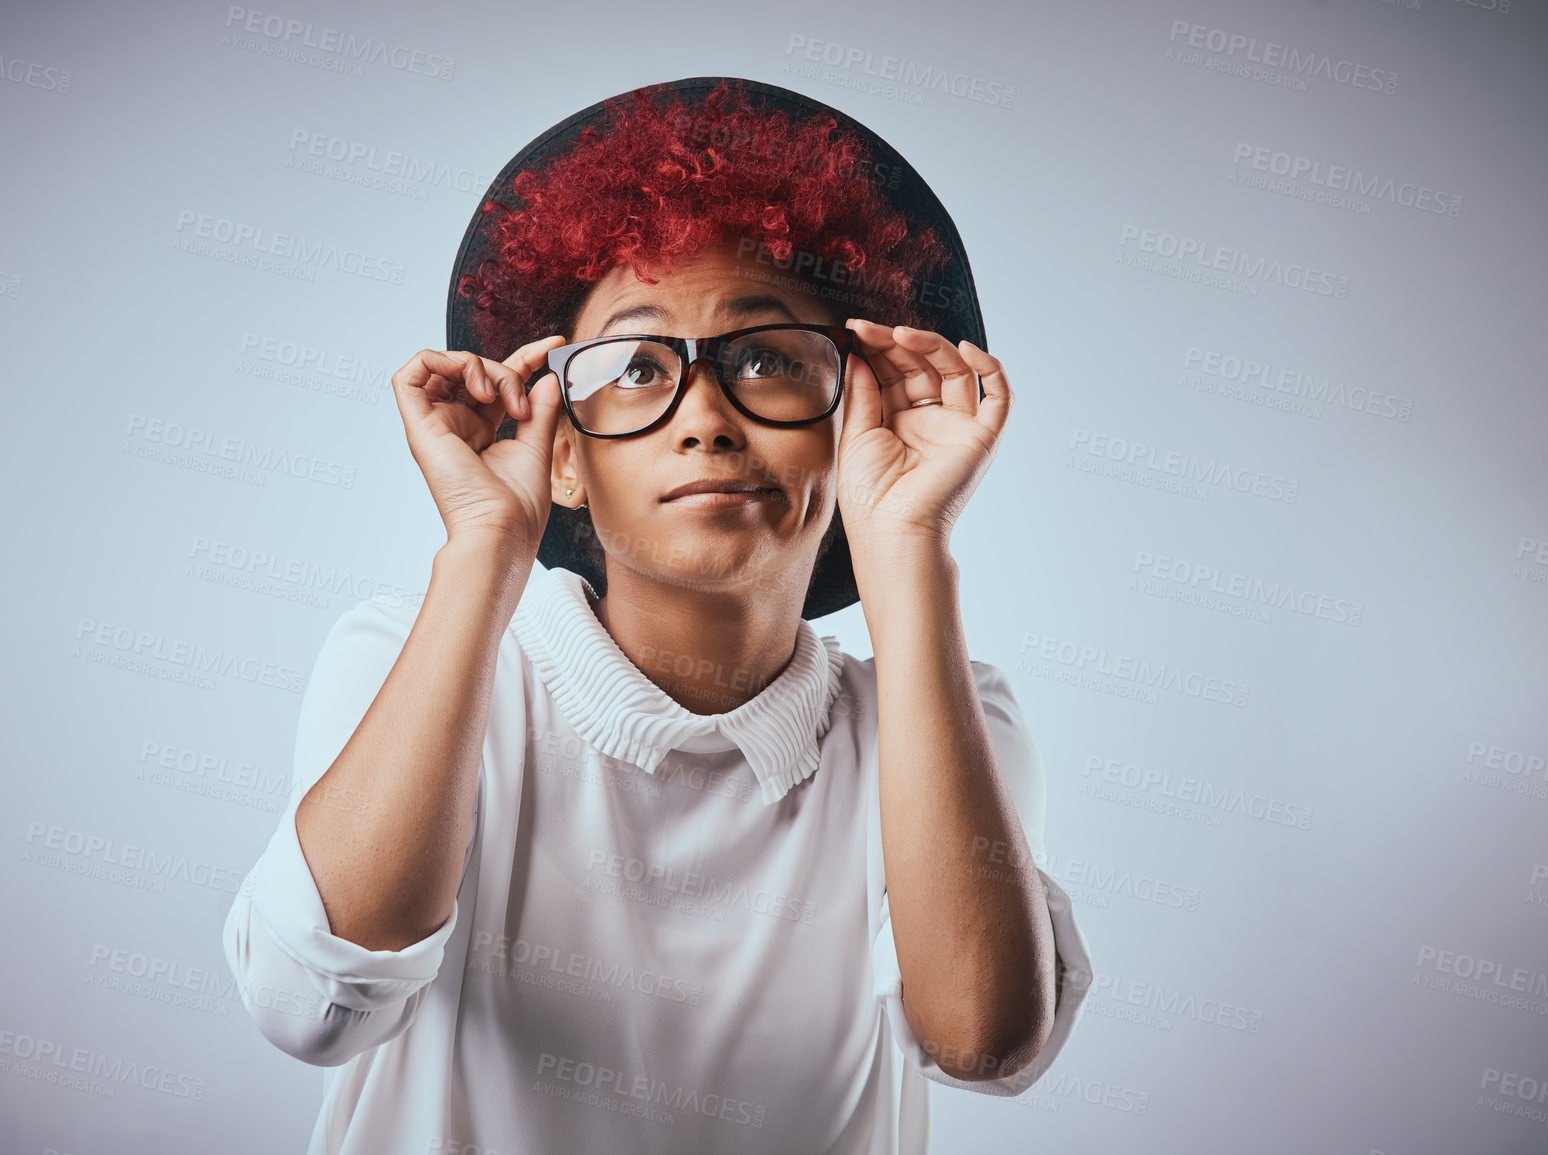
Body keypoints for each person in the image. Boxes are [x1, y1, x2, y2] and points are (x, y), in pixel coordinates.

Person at [224, 77, 1091, 1155]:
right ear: (566, 454)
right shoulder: (410, 660)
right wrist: (485, 546)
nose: (708, 420)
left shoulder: (952, 722)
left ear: (848, 419)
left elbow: (982, 1038)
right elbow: (310, 1007)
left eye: (769, 359)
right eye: (636, 369)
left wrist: (905, 543)